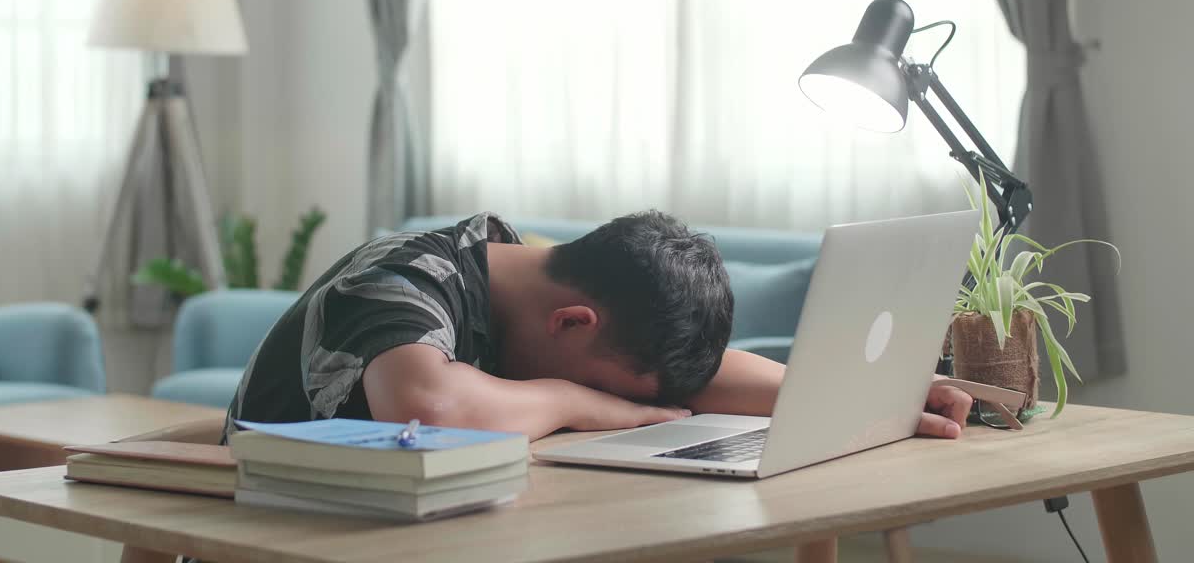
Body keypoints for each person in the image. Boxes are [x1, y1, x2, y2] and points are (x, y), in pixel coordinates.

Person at [224, 211, 972, 443]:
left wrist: (879, 392)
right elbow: (431, 408)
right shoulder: (399, 282)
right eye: (588, 378)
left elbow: (688, 380)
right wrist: (586, 405)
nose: (590, 396)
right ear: (572, 323)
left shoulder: (534, 296)